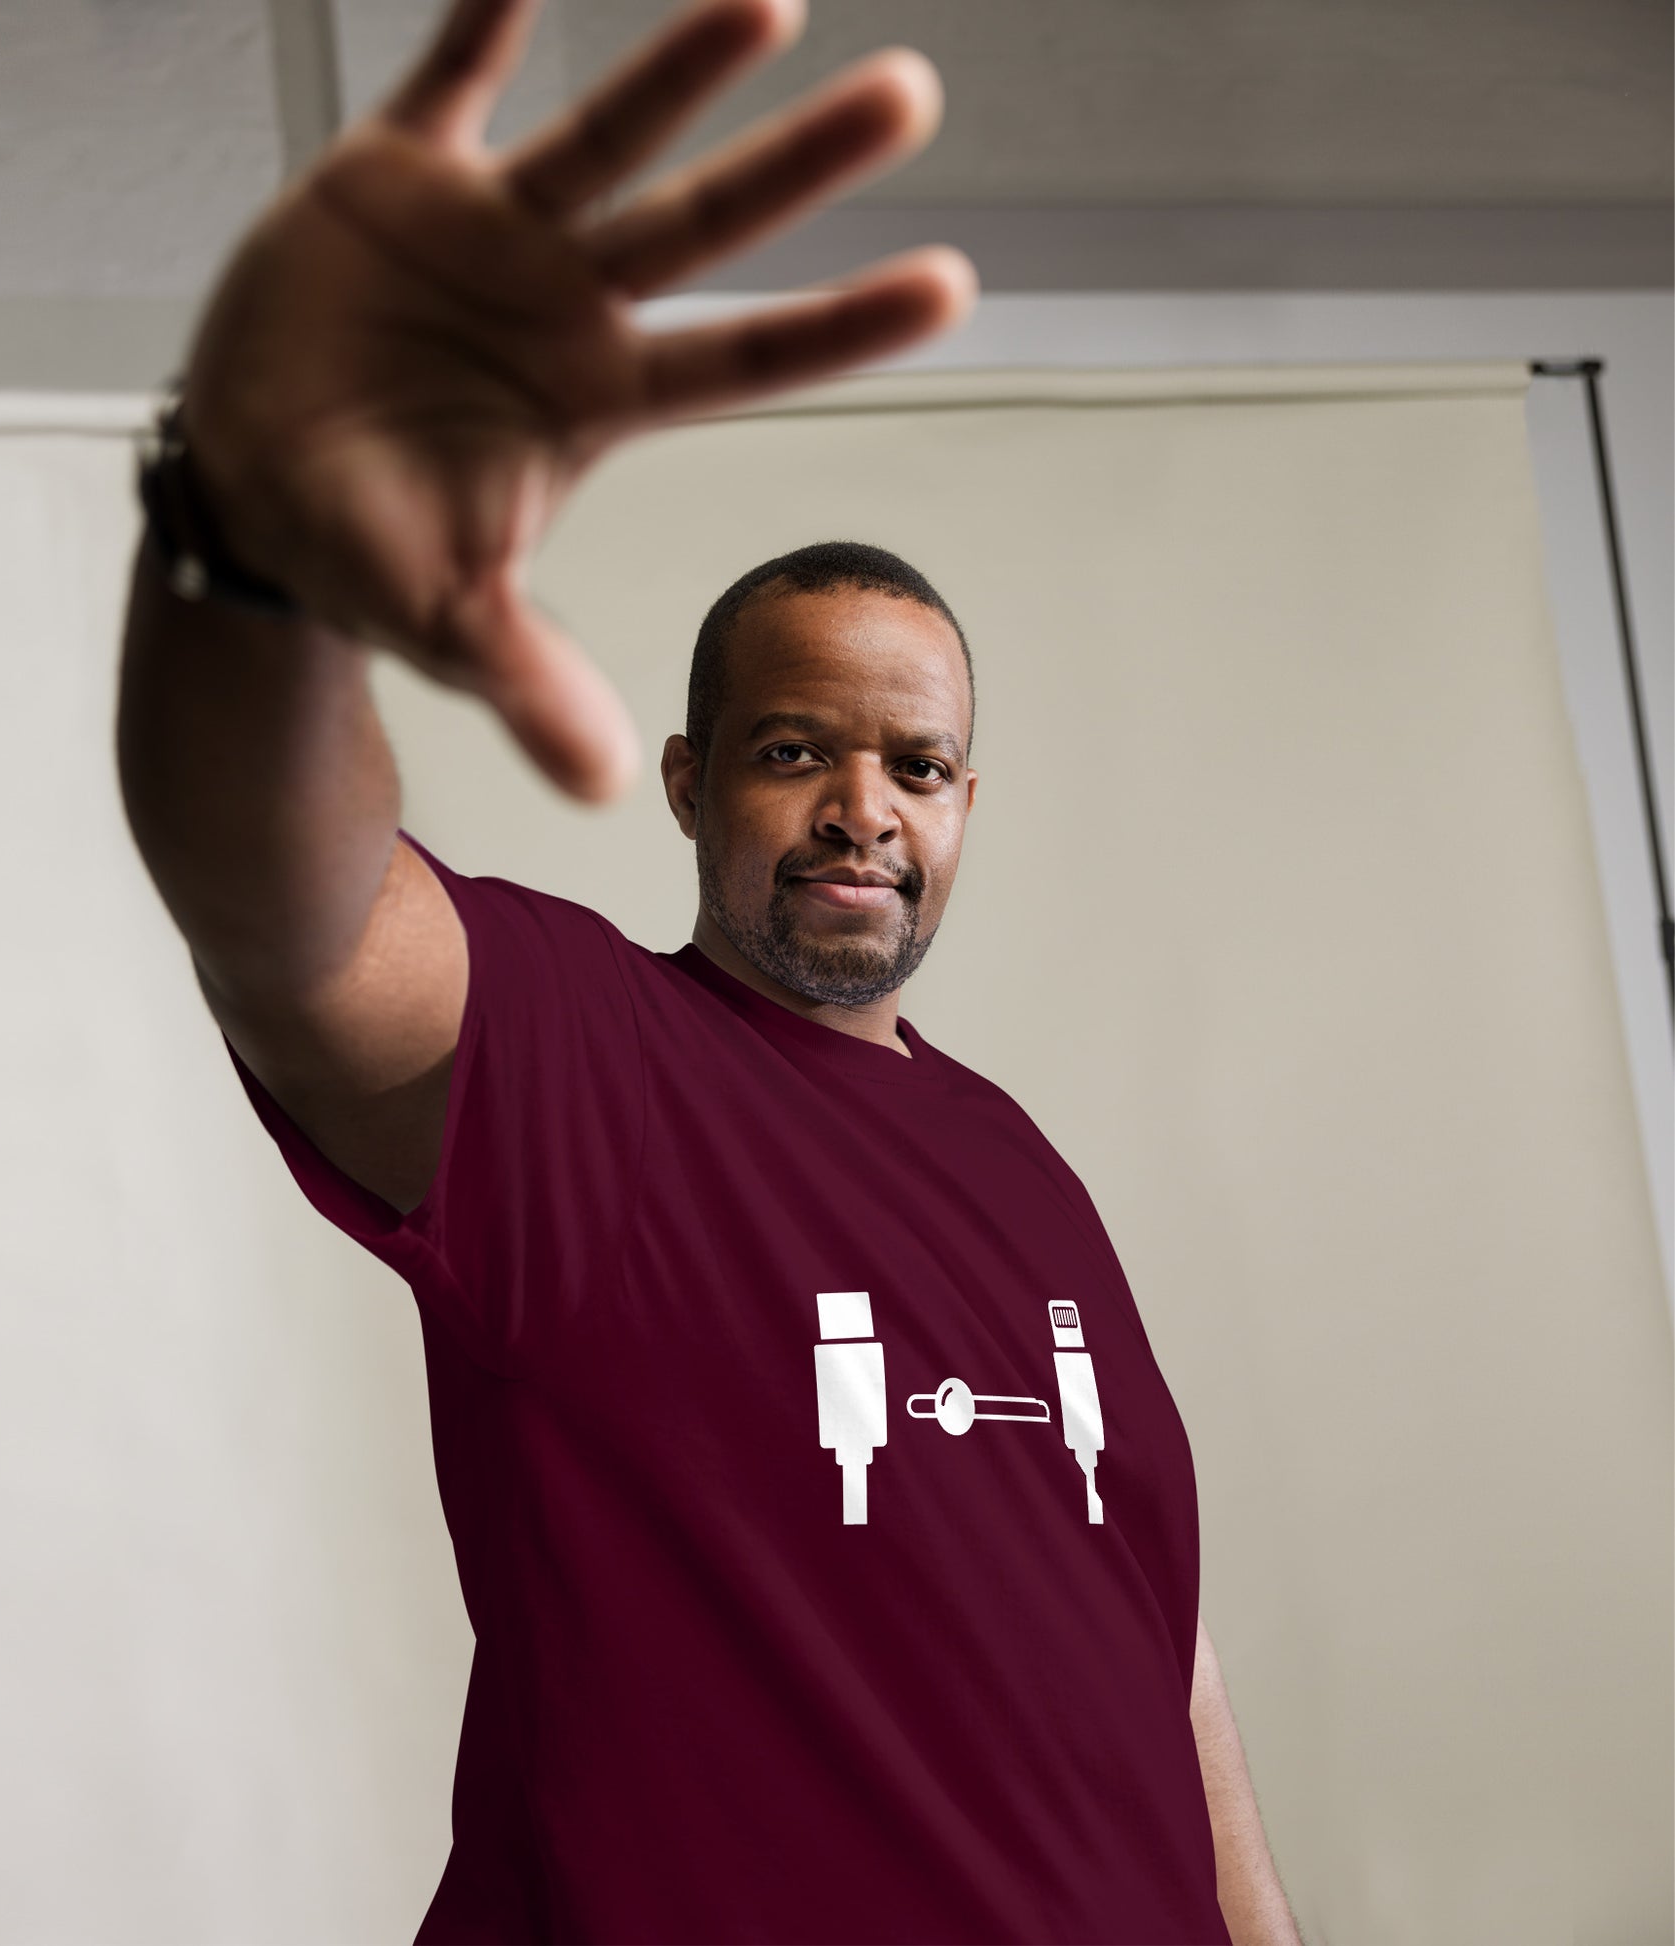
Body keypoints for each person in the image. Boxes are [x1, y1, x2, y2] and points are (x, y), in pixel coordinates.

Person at [115, 0, 1301, 1939]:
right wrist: (256, 550)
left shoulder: (1024, 1170)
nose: (860, 807)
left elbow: (1156, 1645)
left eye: (913, 766)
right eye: (790, 750)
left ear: (966, 803)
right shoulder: (595, 1063)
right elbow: (290, 919)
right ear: (688, 782)